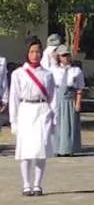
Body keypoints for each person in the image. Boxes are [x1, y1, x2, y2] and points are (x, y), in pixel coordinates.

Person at [10, 36, 57, 196]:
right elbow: (14, 98)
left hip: (42, 110)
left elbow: (53, 97)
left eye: (38, 51)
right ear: (26, 53)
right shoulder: (18, 73)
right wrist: (13, 121)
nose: (35, 55)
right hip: (25, 110)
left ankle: (38, 184)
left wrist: (54, 118)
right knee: (25, 150)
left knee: (40, 148)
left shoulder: (47, 74)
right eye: (32, 51)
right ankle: (26, 184)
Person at [50, 46, 84, 157]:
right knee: (57, 123)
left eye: (67, 55)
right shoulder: (54, 70)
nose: (66, 58)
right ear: (59, 57)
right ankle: (57, 148)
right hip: (58, 98)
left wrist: (78, 102)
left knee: (70, 124)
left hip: (70, 98)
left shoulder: (76, 71)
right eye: (63, 55)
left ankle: (69, 148)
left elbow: (79, 88)